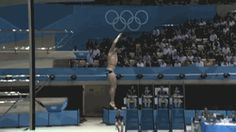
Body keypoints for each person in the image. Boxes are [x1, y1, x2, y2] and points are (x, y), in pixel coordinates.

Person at [107, 33, 122, 109]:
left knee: (114, 87)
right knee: (113, 87)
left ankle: (112, 101)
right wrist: (118, 36)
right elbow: (114, 43)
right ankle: (112, 102)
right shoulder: (110, 52)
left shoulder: (115, 54)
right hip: (110, 71)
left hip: (112, 71)